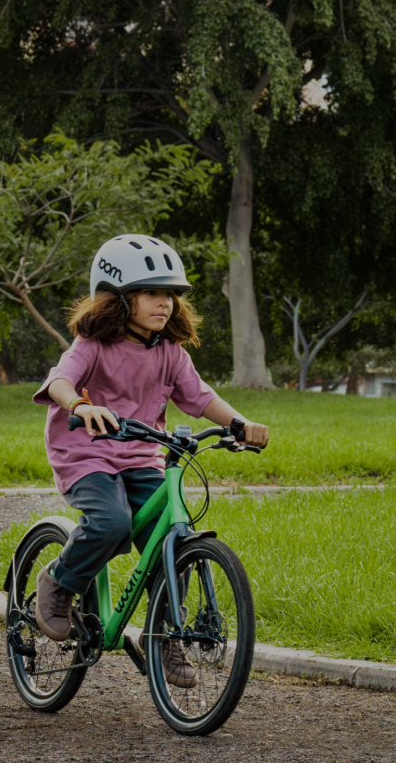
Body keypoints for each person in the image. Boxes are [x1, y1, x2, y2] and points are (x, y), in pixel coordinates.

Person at [31, 235, 271, 688]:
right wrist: (80, 407)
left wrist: (240, 423)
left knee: (169, 538)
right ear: (118, 297)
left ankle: (165, 637)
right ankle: (59, 582)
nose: (164, 303)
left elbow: (200, 398)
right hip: (86, 454)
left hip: (141, 454)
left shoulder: (169, 353)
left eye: (169, 294)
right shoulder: (93, 344)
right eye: (151, 293)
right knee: (112, 522)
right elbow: (61, 380)